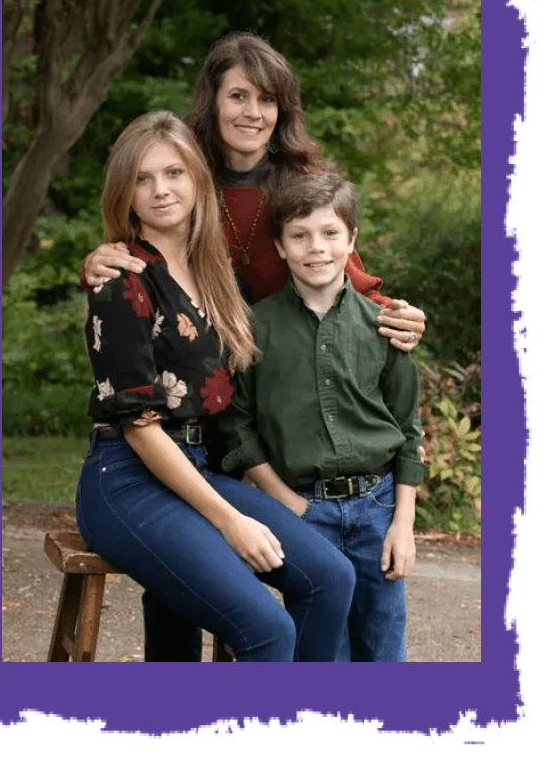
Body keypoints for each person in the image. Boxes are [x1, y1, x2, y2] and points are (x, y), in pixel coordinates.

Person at [82, 32, 427, 661]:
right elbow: (136, 266)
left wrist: (396, 314)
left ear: (283, 109)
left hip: (250, 406)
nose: (252, 111)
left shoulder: (292, 187)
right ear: (211, 104)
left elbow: (342, 272)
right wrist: (102, 262)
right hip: (160, 429)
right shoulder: (184, 181)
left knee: (326, 586)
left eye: (267, 98)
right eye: (237, 95)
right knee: (184, 592)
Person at [75, 110, 356, 662]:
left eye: (175, 173)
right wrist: (230, 521)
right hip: (127, 480)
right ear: (123, 192)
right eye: (142, 178)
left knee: (330, 577)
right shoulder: (121, 280)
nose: (160, 190)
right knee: (267, 629)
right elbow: (139, 428)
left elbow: (327, 271)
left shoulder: (213, 271)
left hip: (199, 468)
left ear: (199, 179)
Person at [216, 172, 427, 662]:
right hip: (306, 513)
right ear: (280, 245)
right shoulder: (254, 328)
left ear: (351, 240)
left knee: (382, 651)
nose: (317, 248)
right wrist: (286, 502)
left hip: (378, 512)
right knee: (322, 655)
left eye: (331, 233)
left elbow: (407, 431)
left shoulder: (384, 327)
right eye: (300, 235)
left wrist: (403, 524)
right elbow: (238, 427)